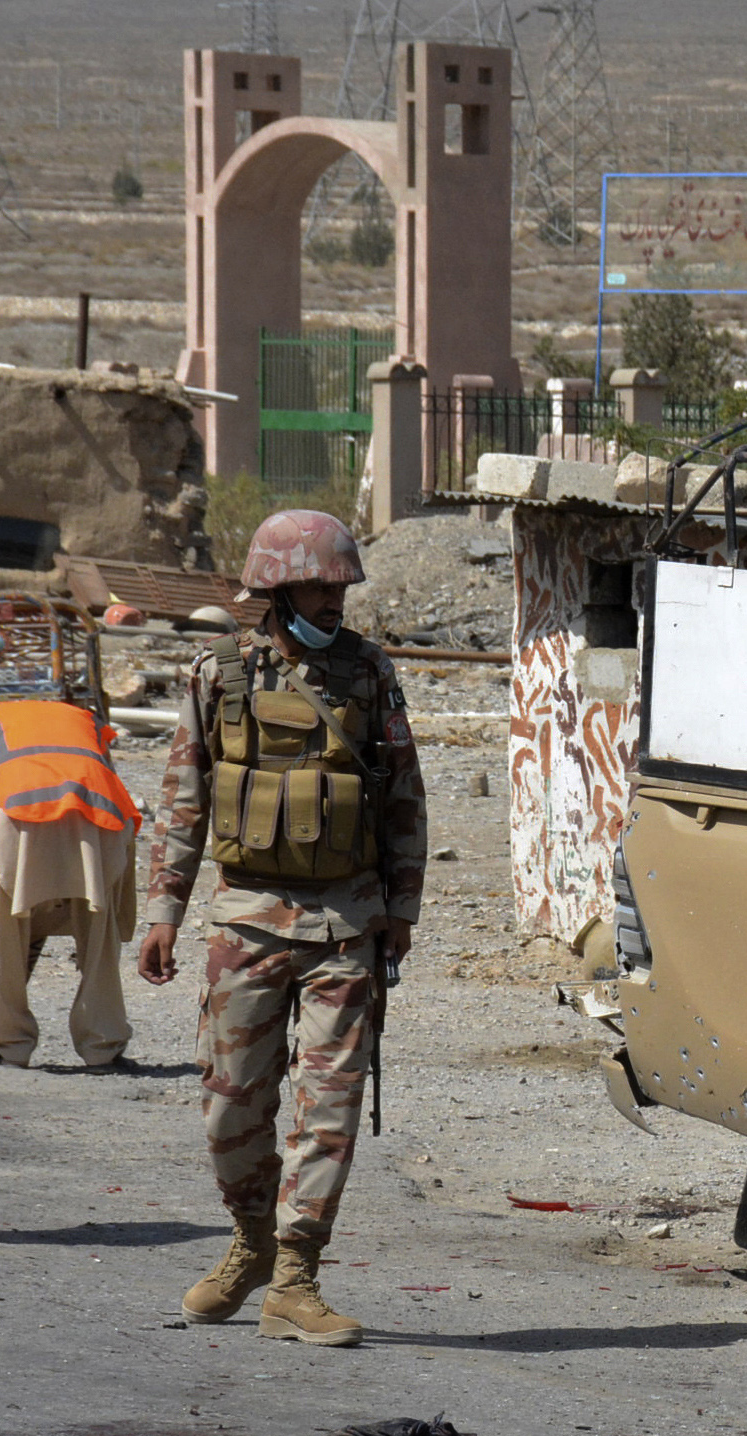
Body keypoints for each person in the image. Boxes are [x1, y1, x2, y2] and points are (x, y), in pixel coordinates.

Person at [137, 511, 425, 1347]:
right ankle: (251, 1240)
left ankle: (296, 1275)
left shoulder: (368, 672)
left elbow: (404, 795)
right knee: (231, 1106)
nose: (334, 599)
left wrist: (401, 911)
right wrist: (164, 910)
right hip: (246, 922)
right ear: (275, 589)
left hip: (346, 922)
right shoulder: (219, 673)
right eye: (316, 585)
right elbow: (184, 798)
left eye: (339, 586)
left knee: (328, 1106)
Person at [0, 696, 141, 1069]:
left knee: (1, 933)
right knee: (98, 937)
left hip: (14, 816)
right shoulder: (85, 721)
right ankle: (103, 1047)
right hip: (97, 817)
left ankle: (9, 1046)